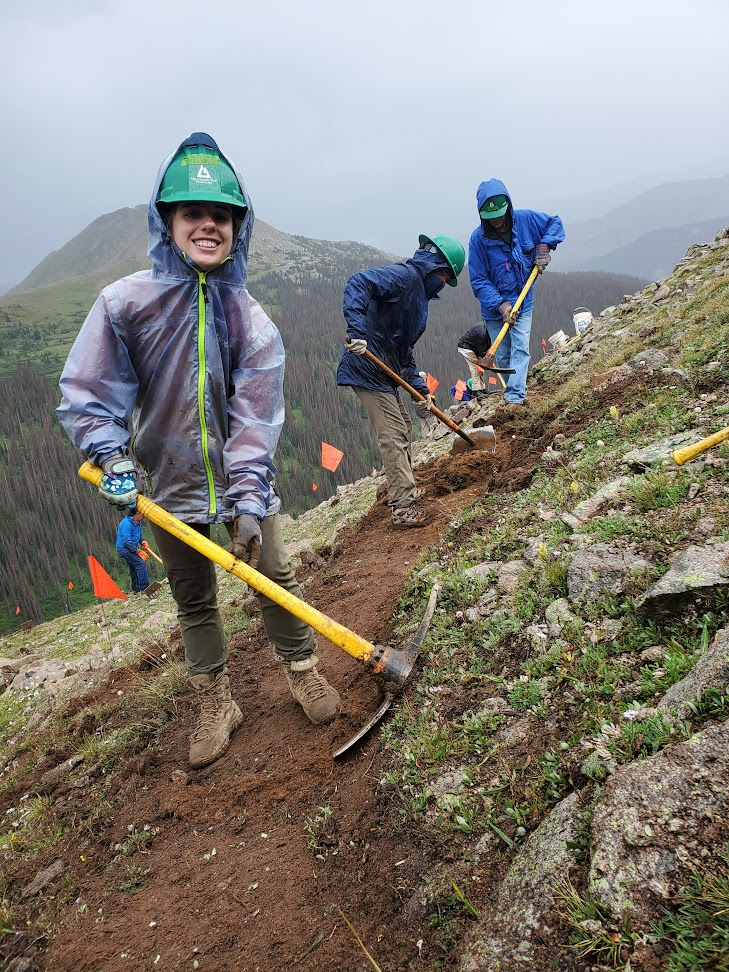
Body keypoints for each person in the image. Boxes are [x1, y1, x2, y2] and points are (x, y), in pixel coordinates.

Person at [57, 132, 340, 770]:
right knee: (193, 596)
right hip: (168, 484)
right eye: (193, 214)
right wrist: (113, 457)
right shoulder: (124, 304)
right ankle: (216, 699)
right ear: (168, 223)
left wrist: (246, 498)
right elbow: (89, 390)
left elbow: (255, 417)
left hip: (244, 480)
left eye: (221, 216)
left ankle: (301, 670)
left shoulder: (250, 319)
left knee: (274, 575)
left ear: (237, 227)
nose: (208, 225)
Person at [336, 234, 465, 527]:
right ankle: (403, 508)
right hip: (365, 368)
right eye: (445, 275)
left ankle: (406, 489)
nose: (443, 282)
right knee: (394, 435)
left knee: (405, 427)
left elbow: (404, 352)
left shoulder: (418, 295)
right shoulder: (405, 277)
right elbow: (359, 282)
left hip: (384, 373)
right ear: (436, 266)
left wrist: (421, 393)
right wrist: (357, 330)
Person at [468, 179, 564, 409]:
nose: (498, 220)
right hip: (494, 310)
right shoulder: (478, 240)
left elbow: (555, 223)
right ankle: (514, 388)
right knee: (502, 356)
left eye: (501, 214)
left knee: (520, 347)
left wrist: (543, 247)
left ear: (508, 206)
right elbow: (479, 281)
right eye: (492, 217)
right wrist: (501, 306)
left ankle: (514, 398)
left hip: (523, 300)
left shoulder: (525, 220)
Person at [116, 507, 150, 593]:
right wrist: (138, 551)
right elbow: (127, 542)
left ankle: (136, 588)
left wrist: (143, 541)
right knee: (140, 563)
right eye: (141, 515)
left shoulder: (137, 522)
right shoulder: (126, 524)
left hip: (130, 548)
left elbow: (139, 535)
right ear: (137, 513)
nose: (143, 517)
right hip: (124, 549)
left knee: (133, 566)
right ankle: (145, 588)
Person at [457, 323, 492, 401]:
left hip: (474, 348)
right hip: (466, 347)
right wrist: (490, 363)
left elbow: (487, 348)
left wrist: (489, 360)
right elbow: (483, 352)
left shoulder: (488, 331)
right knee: (475, 368)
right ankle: (476, 391)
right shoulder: (481, 335)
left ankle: (482, 389)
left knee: (481, 370)